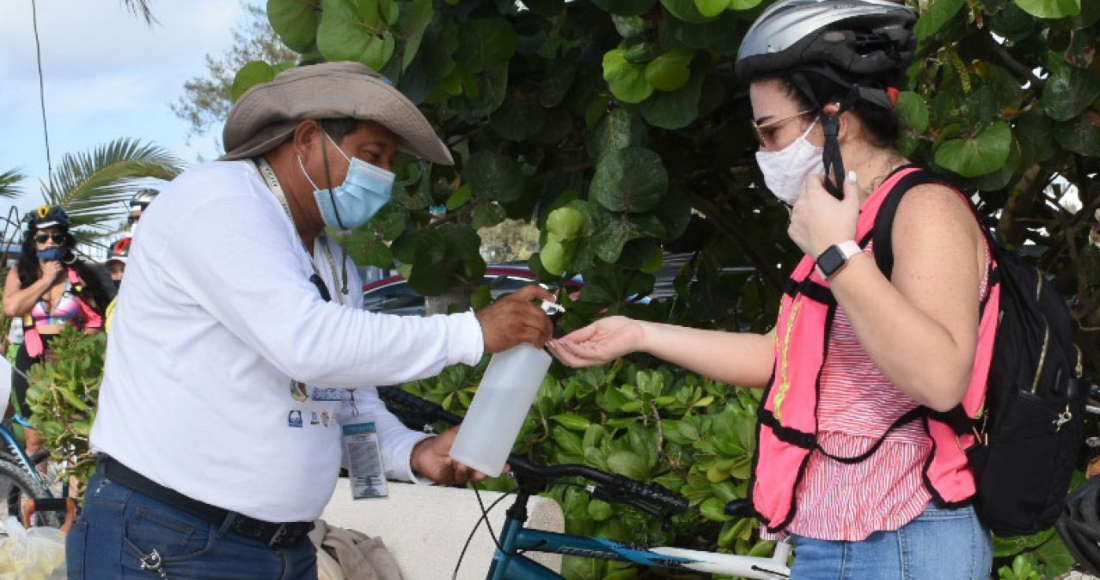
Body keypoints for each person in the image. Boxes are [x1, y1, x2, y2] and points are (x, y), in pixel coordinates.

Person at [549, 1, 994, 579]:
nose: (764, 152)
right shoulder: (842, 222)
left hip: (905, 534)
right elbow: (780, 357)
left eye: (772, 130)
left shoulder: (923, 210)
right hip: (830, 532)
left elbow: (940, 379)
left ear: (836, 117)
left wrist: (836, 255)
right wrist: (638, 334)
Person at [71, 61, 556, 579]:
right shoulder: (220, 200)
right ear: (306, 139)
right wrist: (472, 332)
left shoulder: (334, 263)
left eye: (391, 163)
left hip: (283, 548)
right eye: (372, 155)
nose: (385, 177)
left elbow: (346, 403)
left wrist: (412, 455)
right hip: (169, 539)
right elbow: (307, 344)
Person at [2, 205, 110, 458]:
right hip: (33, 355)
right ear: (33, 241)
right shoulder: (21, 274)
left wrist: (77, 351)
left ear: (65, 240)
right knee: (35, 439)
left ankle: (73, 483)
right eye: (42, 237)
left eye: (56, 236)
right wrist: (46, 280)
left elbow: (96, 321)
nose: (49, 241)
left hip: (70, 356)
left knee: (74, 433)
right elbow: (12, 307)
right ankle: (35, 482)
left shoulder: (79, 276)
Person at [102, 236, 131, 333]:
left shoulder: (146, 302)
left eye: (124, 269)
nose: (119, 276)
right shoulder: (116, 302)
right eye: (114, 271)